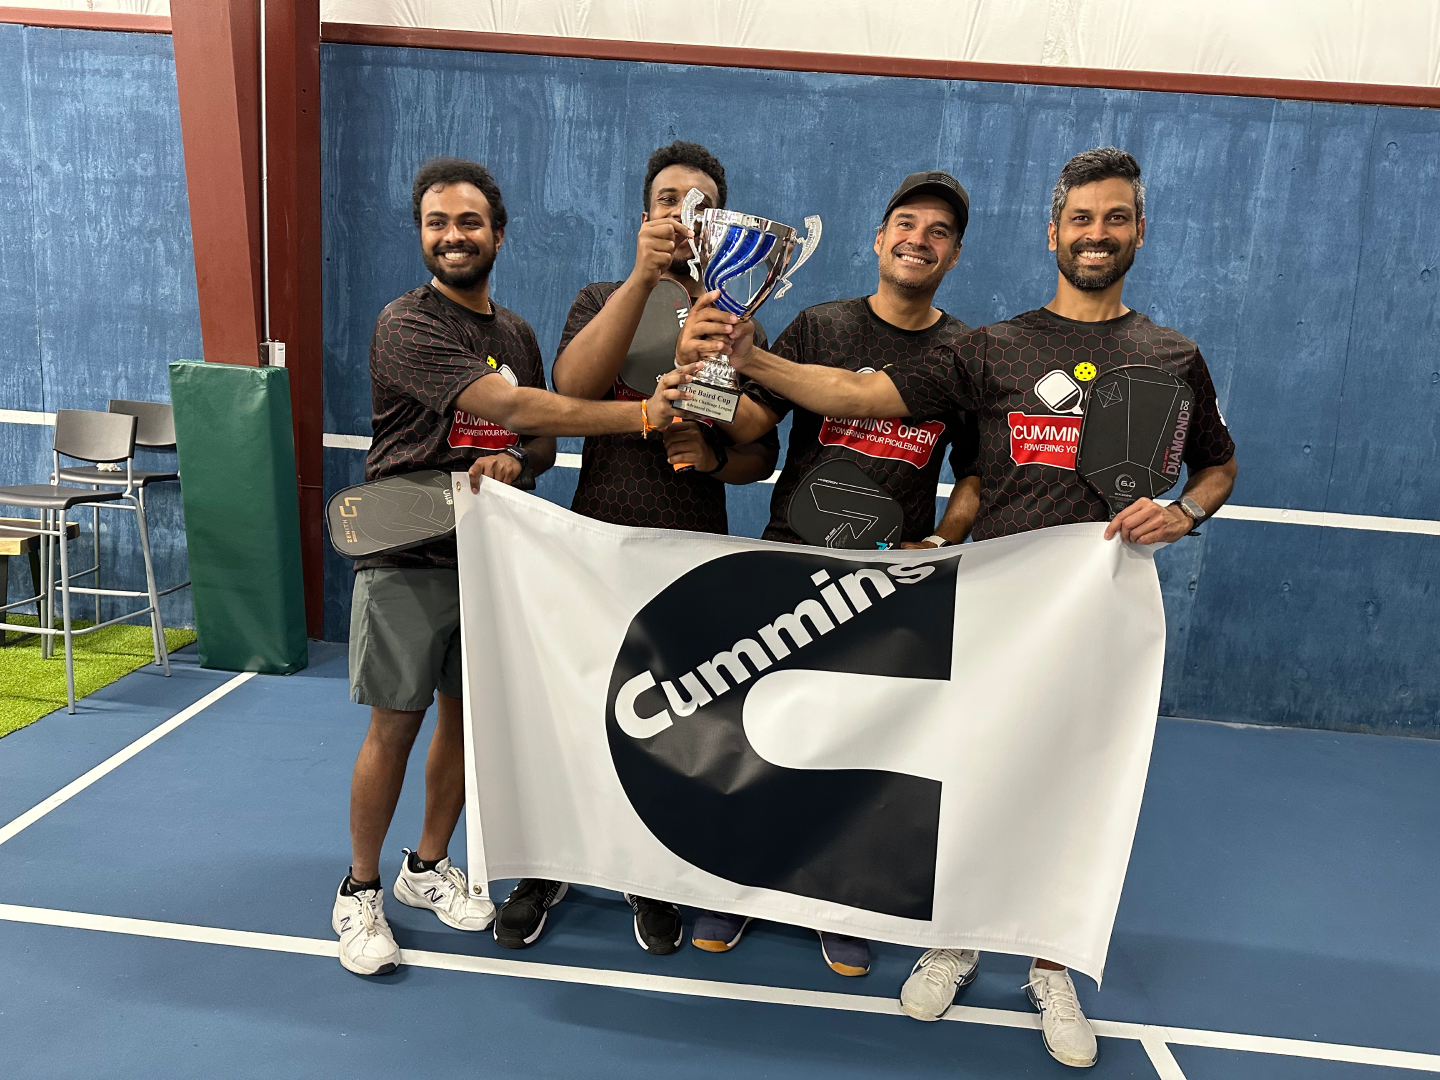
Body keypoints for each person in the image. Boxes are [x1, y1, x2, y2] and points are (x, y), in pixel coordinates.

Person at [671, 147, 1238, 1067]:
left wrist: (1184, 512)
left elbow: (1218, 461)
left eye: (1117, 218)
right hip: (993, 603)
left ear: (1138, 230)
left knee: (1073, 793)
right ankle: (956, 937)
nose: (1098, 234)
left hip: (1098, 607)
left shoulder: (1172, 356)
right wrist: (753, 355)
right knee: (965, 776)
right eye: (1082, 219)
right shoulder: (989, 349)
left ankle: (1052, 969)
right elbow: (857, 393)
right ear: (1053, 232)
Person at [334, 157, 692, 977]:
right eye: (436, 223)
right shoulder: (407, 323)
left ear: (498, 233)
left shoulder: (517, 334)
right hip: (409, 557)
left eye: (468, 222)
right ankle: (359, 890)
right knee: (396, 722)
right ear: (422, 234)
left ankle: (427, 868)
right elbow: (515, 407)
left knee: (465, 721)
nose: (452, 237)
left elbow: (536, 441)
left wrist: (514, 467)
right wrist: (641, 412)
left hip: (495, 563)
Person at [674, 170, 984, 979]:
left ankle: (833, 897)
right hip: (788, 563)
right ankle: (737, 884)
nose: (919, 238)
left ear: (953, 256)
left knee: (853, 746)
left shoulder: (965, 354)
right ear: (878, 240)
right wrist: (707, 383)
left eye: (939, 231)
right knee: (754, 736)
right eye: (904, 222)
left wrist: (946, 536)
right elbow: (753, 422)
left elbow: (979, 473)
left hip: (886, 584)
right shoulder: (819, 324)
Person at [493, 142, 781, 957]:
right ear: (646, 214)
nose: (679, 212)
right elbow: (572, 390)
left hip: (690, 551)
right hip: (597, 543)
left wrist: (715, 453)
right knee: (572, 714)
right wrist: (640, 281)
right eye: (665, 199)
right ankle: (544, 869)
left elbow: (765, 453)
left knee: (672, 725)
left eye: (699, 202)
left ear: (722, 224)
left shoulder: (739, 317)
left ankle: (648, 872)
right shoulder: (600, 296)